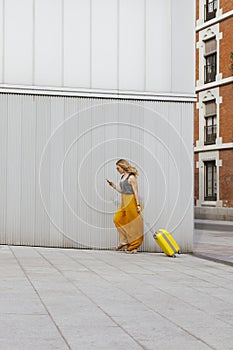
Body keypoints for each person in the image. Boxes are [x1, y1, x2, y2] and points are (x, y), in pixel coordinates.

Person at [106, 159, 144, 253]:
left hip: (131, 201)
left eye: (118, 168)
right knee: (117, 219)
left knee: (133, 224)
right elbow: (123, 191)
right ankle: (124, 240)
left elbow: (135, 192)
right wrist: (114, 186)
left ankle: (133, 246)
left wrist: (138, 205)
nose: (117, 170)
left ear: (123, 167)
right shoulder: (123, 177)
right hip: (124, 201)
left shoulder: (131, 178)